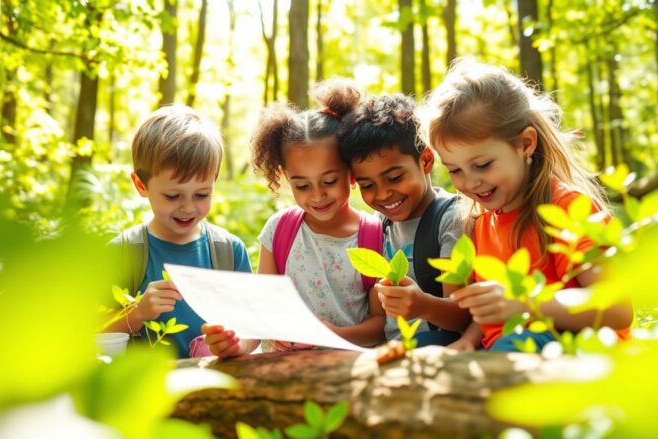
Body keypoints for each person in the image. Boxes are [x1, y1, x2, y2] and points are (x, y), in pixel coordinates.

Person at [418, 58, 633, 352]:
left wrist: (526, 303)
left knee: (514, 345)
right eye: (455, 170)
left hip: (576, 350)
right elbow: (495, 310)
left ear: (526, 144)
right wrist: (468, 341)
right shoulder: (483, 222)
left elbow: (617, 310)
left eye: (482, 164)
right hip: (507, 349)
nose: (470, 182)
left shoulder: (568, 209)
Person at [201, 80, 386, 357]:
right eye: (302, 186)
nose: (317, 195)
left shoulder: (372, 234)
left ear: (351, 173)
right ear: (286, 178)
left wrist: (328, 334)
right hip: (283, 371)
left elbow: (379, 325)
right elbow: (261, 315)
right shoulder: (280, 230)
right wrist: (236, 344)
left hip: (348, 371)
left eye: (330, 181)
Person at [105, 104, 252, 358]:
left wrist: (236, 345)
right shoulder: (123, 253)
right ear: (141, 185)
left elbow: (253, 326)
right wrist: (138, 312)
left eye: (202, 194)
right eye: (172, 196)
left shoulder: (228, 251)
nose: (188, 207)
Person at [337, 93, 475, 348]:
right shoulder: (381, 224)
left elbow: (464, 316)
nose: (383, 194)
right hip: (392, 348)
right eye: (367, 185)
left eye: (395, 178)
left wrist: (422, 305)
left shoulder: (452, 219)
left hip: (439, 349)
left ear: (425, 160)